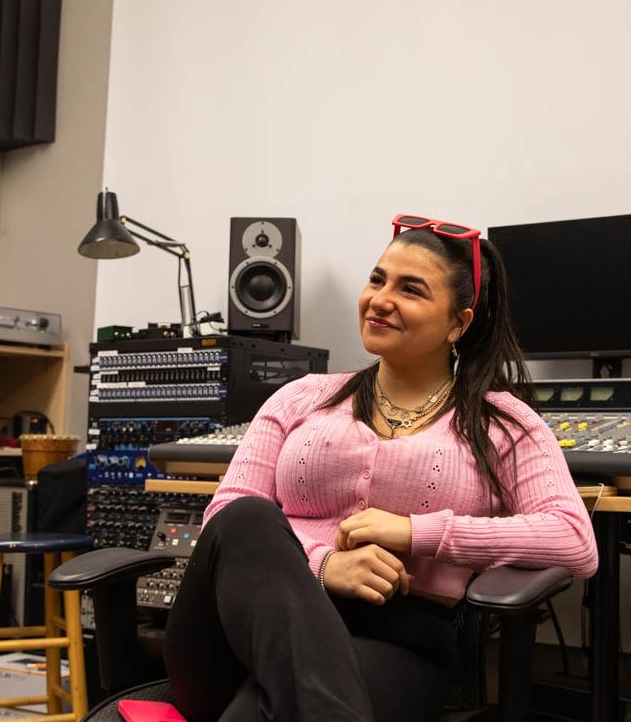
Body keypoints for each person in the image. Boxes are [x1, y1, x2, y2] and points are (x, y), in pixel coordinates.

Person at [163, 214, 598, 722]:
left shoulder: (503, 423)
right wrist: (324, 565)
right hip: (233, 636)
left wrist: (417, 532)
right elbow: (225, 518)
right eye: (377, 279)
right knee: (247, 518)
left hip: (394, 643)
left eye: (410, 289)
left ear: (458, 322)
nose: (380, 300)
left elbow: (573, 540)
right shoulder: (302, 397)